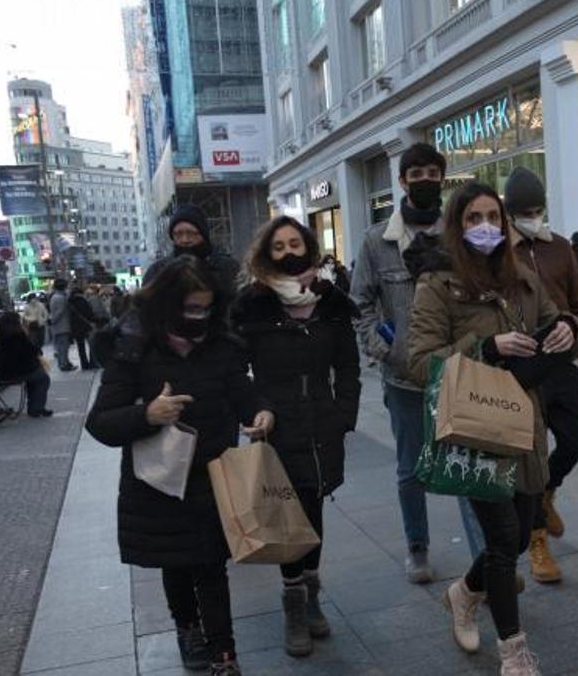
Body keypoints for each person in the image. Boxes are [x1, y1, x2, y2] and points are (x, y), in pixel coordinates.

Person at [406, 182, 578, 675]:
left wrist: (569, 326)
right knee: (503, 541)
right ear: (457, 227)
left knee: (522, 536)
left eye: (492, 217)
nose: (485, 226)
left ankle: (463, 593)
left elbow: (556, 320)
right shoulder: (438, 283)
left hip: (522, 421)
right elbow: (419, 363)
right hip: (476, 429)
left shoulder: (522, 277)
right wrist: (486, 347)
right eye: (472, 218)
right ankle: (514, 651)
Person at [85, 256, 274, 676]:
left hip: (213, 477)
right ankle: (188, 630)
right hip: (160, 483)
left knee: (211, 567)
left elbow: (244, 393)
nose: (199, 317)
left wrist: (261, 413)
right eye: (190, 308)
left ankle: (225, 653)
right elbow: (100, 422)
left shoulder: (221, 345)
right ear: (167, 305)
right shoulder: (134, 350)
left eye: (205, 308)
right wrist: (148, 414)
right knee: (176, 565)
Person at [231, 217, 361, 659]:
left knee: (314, 505)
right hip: (277, 426)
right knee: (289, 512)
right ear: (267, 254)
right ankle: (293, 603)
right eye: (279, 246)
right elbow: (236, 371)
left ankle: (312, 594)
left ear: (309, 247)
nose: (289, 252)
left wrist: (344, 415)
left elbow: (347, 365)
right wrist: (256, 408)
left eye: (295, 243)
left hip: (323, 424)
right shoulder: (252, 306)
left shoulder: (330, 303)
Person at [502, 166, 578, 584]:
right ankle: (537, 540)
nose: (533, 216)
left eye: (538, 209)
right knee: (531, 455)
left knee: (573, 441)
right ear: (510, 213)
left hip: (562, 361)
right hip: (523, 366)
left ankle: (547, 495)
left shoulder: (561, 248)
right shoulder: (500, 252)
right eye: (525, 211)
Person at [349, 142, 448, 583]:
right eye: (417, 173)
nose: (426, 179)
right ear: (402, 181)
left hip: (457, 370)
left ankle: (486, 553)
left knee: (470, 458)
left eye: (433, 171)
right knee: (411, 467)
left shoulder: (458, 232)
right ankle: (418, 548)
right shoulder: (377, 241)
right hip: (404, 374)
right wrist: (382, 347)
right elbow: (360, 303)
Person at [144, 205, 241, 301]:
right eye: (178, 234)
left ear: (203, 234)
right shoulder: (158, 272)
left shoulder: (228, 268)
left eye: (191, 233)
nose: (185, 239)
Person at [0, 312, 52, 417]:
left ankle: (34, 407)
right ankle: (37, 408)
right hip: (15, 372)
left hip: (0, 372)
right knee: (43, 378)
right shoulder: (18, 335)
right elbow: (31, 351)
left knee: (33, 375)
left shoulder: (0, 335)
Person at [68, 286, 101, 370]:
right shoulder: (83, 301)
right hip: (86, 326)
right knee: (92, 345)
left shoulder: (70, 301)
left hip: (76, 327)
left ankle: (84, 364)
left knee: (80, 347)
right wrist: (94, 320)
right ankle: (92, 363)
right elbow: (89, 313)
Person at [48, 279, 75, 372]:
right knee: (63, 347)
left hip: (58, 327)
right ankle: (64, 364)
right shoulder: (61, 298)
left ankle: (63, 363)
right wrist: (53, 321)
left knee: (60, 347)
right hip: (62, 326)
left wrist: (52, 321)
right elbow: (59, 313)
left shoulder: (54, 297)